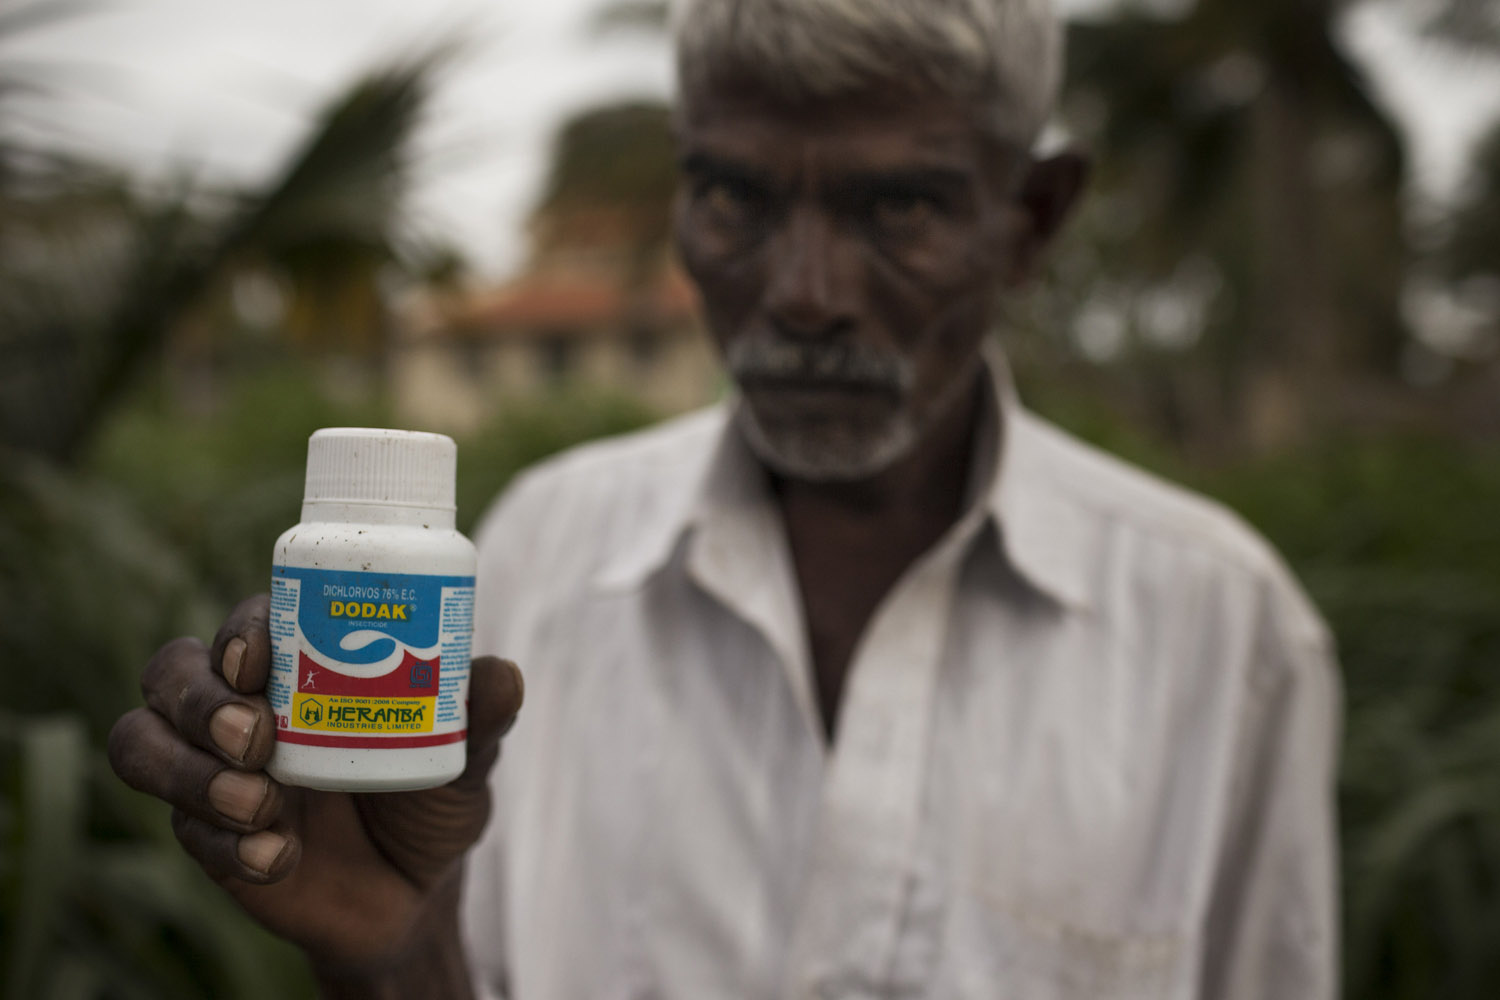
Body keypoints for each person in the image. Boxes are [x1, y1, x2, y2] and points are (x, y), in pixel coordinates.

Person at [108, 0, 1342, 996]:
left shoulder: (1224, 629)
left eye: (897, 204)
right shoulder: (540, 551)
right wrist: (389, 955)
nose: (802, 291)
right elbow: (400, 943)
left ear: (1029, 220)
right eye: (736, 197)